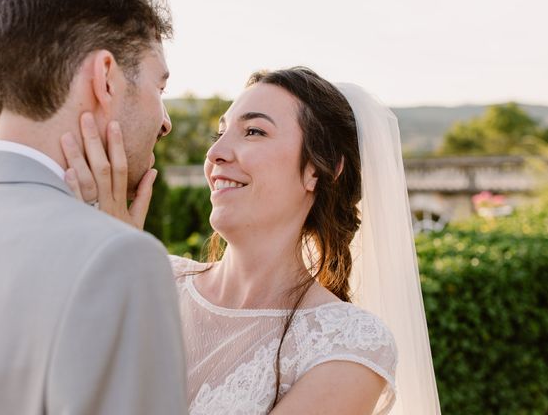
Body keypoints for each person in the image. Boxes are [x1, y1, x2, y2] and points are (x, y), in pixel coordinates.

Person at [64, 67, 442, 414]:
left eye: (254, 131)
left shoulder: (349, 345)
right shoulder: (152, 279)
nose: (214, 155)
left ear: (319, 168)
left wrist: (124, 291)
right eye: (220, 133)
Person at [0, 0, 187, 415]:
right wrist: (111, 242)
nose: (164, 122)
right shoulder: (120, 259)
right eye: (159, 87)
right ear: (105, 78)